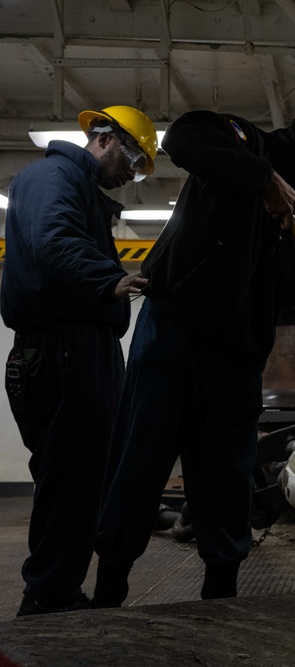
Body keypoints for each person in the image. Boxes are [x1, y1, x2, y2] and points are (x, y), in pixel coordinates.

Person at [91, 82, 295, 607]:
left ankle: (222, 599)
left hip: (237, 362)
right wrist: (262, 180)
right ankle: (108, 593)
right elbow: (184, 137)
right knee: (139, 463)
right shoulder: (242, 142)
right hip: (173, 337)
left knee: (225, 481)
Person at [0, 106, 157, 615]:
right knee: (70, 482)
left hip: (74, 348)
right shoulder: (54, 176)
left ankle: (56, 590)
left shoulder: (79, 186)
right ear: (107, 139)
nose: (130, 177)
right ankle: (48, 598)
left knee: (77, 480)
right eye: (132, 163)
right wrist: (108, 278)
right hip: (64, 351)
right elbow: (54, 239)